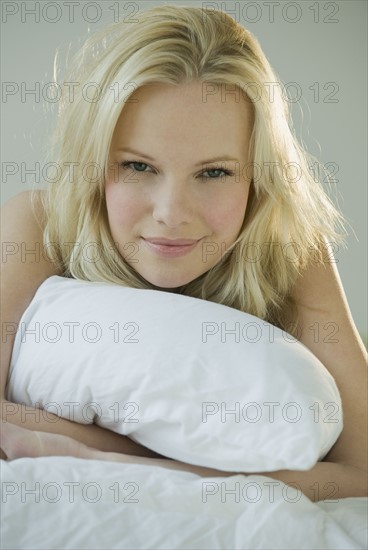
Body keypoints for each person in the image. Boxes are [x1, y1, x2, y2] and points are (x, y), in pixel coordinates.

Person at [1, 5, 367, 501]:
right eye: (137, 166)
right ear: (93, 163)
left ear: (258, 177)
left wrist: (103, 459)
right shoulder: (39, 225)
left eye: (214, 173)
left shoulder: (289, 247)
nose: (171, 213)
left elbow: (362, 471)